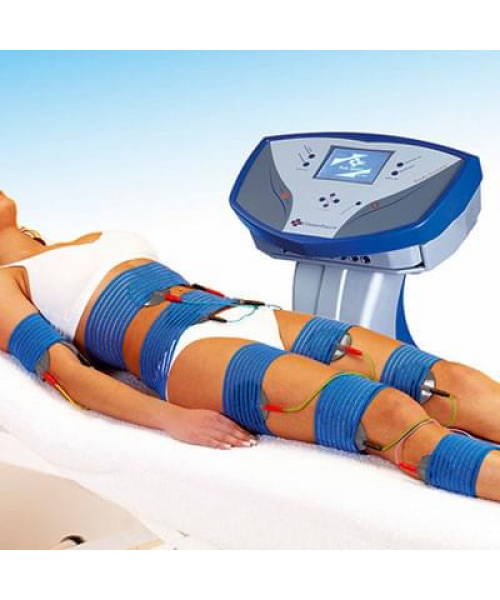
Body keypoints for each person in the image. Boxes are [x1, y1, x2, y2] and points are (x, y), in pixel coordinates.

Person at [1, 190, 499, 501]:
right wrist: (170, 418)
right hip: (186, 353)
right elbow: (68, 374)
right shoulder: (6, 281)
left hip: (249, 314)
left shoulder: (83, 237)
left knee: (450, 381)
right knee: (387, 414)